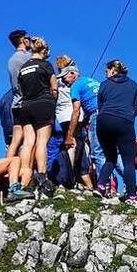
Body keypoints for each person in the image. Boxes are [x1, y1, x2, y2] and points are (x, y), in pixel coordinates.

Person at [16, 37, 58, 197]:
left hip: (26, 107)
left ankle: (25, 176)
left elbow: (20, 89)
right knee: (42, 142)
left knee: (27, 142)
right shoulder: (46, 65)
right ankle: (41, 175)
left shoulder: (23, 67)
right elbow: (54, 87)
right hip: (43, 105)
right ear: (44, 51)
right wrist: (52, 100)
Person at [96, 59, 137, 203]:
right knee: (128, 160)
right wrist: (127, 116)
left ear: (112, 70)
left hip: (104, 120)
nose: (106, 74)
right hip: (124, 121)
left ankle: (101, 185)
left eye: (106, 71)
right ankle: (131, 195)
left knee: (110, 156)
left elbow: (100, 104)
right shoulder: (133, 85)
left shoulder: (104, 85)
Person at [50, 57, 92, 189]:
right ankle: (82, 180)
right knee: (78, 146)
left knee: (71, 145)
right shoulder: (75, 82)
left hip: (66, 118)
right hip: (77, 117)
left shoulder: (57, 81)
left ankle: (69, 177)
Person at [5, 30, 33, 160]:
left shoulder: (12, 59)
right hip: (27, 101)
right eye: (29, 38)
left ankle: (8, 164)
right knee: (30, 139)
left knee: (16, 139)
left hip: (16, 103)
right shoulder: (27, 57)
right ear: (23, 40)